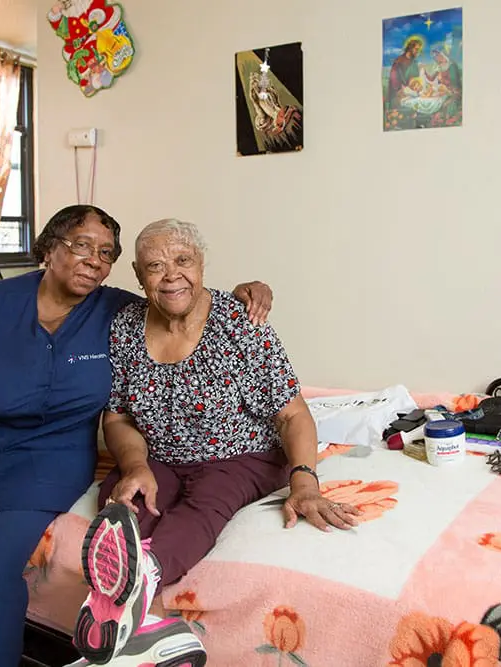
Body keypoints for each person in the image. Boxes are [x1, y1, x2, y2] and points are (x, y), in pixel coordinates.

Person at [0, 205, 273, 667]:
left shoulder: (116, 310)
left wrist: (246, 293)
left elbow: (177, 293)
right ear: (48, 248)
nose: (94, 260)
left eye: (106, 253)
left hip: (48, 460)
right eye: (81, 245)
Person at [72, 219, 363, 664]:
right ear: (137, 274)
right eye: (155, 265)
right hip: (162, 455)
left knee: (206, 505)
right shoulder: (126, 327)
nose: (171, 275)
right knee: (124, 502)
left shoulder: (238, 322)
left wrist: (305, 481)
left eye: (183, 260)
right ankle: (145, 630)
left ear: (202, 264)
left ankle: (141, 580)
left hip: (240, 455)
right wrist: (134, 465)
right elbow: (118, 417)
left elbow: (293, 414)